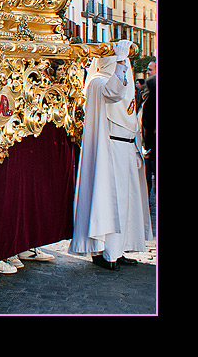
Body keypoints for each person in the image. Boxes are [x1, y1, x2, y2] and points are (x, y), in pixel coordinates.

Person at [68, 41, 153, 270]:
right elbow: (113, 93)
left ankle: (120, 248)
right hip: (110, 149)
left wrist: (136, 147)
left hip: (126, 148)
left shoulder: (121, 80)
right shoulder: (97, 82)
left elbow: (131, 114)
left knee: (127, 202)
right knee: (111, 200)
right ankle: (105, 252)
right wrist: (120, 63)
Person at [141, 59, 156, 197]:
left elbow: (149, 121)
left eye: (150, 69)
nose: (147, 72)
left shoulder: (152, 92)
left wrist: (149, 145)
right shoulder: (147, 91)